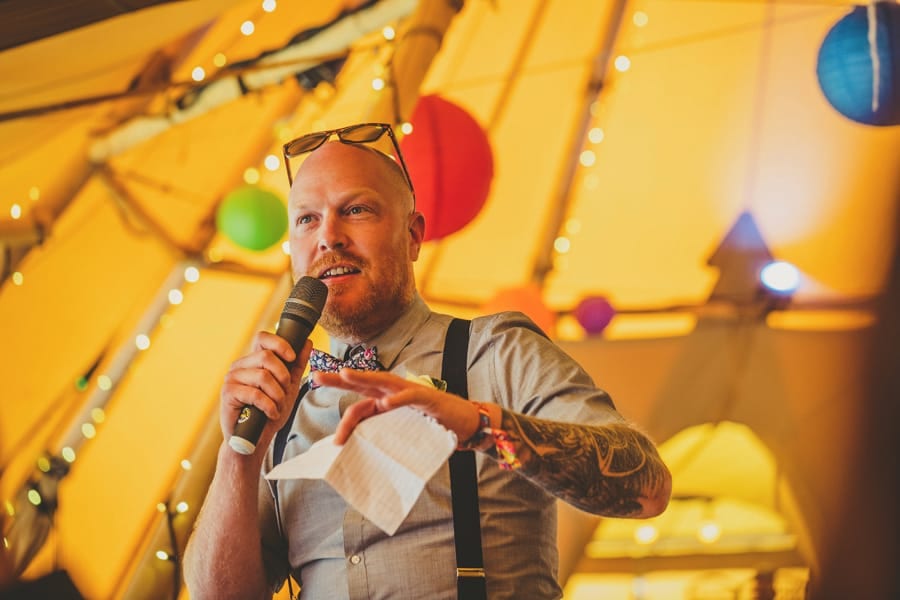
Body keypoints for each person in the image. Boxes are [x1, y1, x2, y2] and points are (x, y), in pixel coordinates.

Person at [184, 124, 671, 599]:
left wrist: (479, 425)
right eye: (307, 219)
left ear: (413, 236)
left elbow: (647, 485)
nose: (328, 237)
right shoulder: (282, 409)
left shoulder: (496, 351)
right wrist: (237, 456)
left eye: (355, 210)